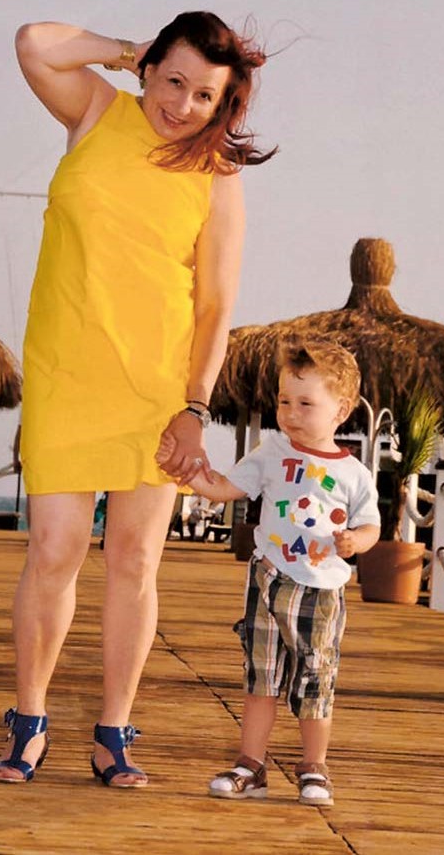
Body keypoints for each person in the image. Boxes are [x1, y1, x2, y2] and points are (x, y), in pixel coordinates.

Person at [0, 11, 275, 787]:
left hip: (156, 388)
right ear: (148, 69)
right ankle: (29, 719)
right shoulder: (93, 111)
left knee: (135, 559)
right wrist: (124, 51)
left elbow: (214, 305)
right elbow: (34, 42)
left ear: (223, 105)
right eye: (172, 80)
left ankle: (113, 729)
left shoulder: (217, 176)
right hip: (66, 372)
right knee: (54, 550)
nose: (182, 105)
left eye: (204, 95)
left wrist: (194, 406)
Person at [157, 337, 380, 806]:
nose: (291, 413)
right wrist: (191, 476)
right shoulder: (271, 450)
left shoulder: (354, 474)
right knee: (260, 678)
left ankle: (314, 766)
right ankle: (251, 765)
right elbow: (228, 487)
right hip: (268, 580)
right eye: (284, 401)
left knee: (315, 680)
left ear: (341, 411)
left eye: (305, 404)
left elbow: (371, 525)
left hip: (320, 591)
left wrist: (356, 542)